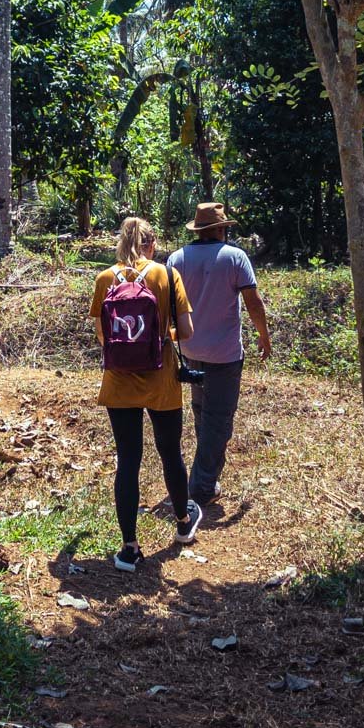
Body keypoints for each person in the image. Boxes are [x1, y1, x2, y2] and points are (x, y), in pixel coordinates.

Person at [89, 217, 202, 572]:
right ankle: (183, 523)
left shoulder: (105, 278)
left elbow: (103, 337)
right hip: (162, 380)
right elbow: (185, 331)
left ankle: (129, 548)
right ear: (152, 244)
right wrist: (159, 334)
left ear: (121, 244)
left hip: (119, 383)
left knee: (128, 460)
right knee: (170, 452)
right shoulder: (166, 275)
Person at [168, 203, 271, 506]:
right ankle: (200, 487)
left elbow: (167, 304)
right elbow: (253, 302)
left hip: (190, 349)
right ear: (222, 228)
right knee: (219, 419)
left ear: (198, 230)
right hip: (224, 353)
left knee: (203, 412)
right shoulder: (235, 257)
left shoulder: (176, 259)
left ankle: (206, 478)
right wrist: (263, 335)